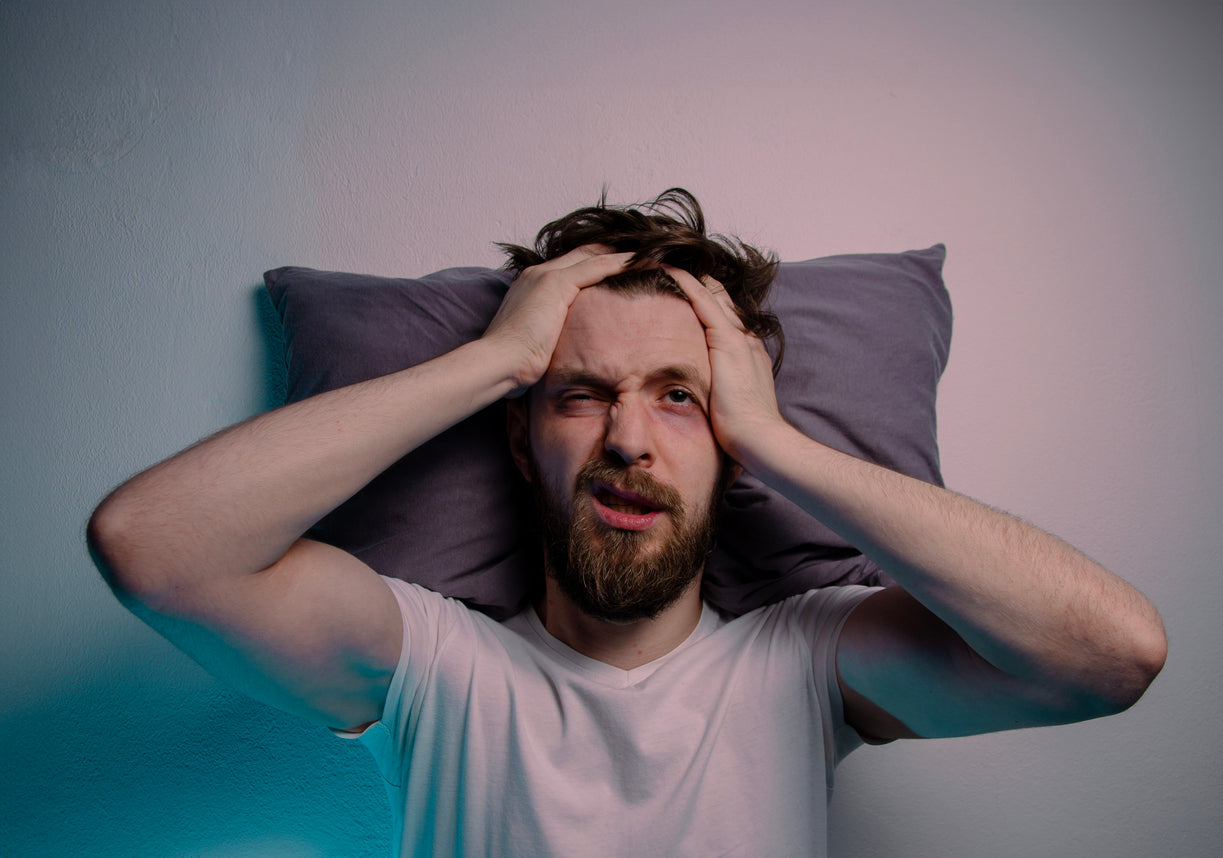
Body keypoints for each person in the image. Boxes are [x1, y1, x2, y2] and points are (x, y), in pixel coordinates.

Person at [87, 189, 1167, 856]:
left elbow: (1111, 656)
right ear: (522, 441)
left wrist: (773, 440)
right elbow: (152, 547)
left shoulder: (802, 662)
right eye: (581, 394)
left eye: (677, 397)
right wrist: (493, 361)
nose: (628, 440)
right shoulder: (434, 662)